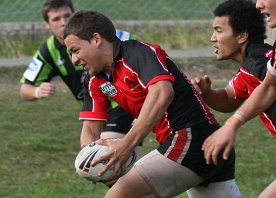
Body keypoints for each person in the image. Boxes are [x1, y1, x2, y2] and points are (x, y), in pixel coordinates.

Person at [63, 10, 241, 198]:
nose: (74, 60)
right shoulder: (94, 80)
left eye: (75, 50)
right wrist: (89, 161)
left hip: (192, 137)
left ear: (96, 39)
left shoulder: (137, 53)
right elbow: (90, 129)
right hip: (200, 143)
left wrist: (126, 145)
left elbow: (163, 93)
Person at [19, 0, 143, 172]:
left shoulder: (108, 37)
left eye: (67, 16)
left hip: (120, 105)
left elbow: (146, 58)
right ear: (47, 24)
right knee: (108, 170)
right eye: (56, 19)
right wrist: (38, 91)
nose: (63, 22)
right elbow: (25, 89)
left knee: (106, 162)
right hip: (93, 110)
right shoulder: (49, 50)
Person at [191, 0, 276, 197]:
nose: (213, 38)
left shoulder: (258, 65)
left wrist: (231, 125)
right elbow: (231, 97)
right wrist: (208, 93)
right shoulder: (251, 66)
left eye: (219, 31)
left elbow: (268, 87)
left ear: (242, 36)